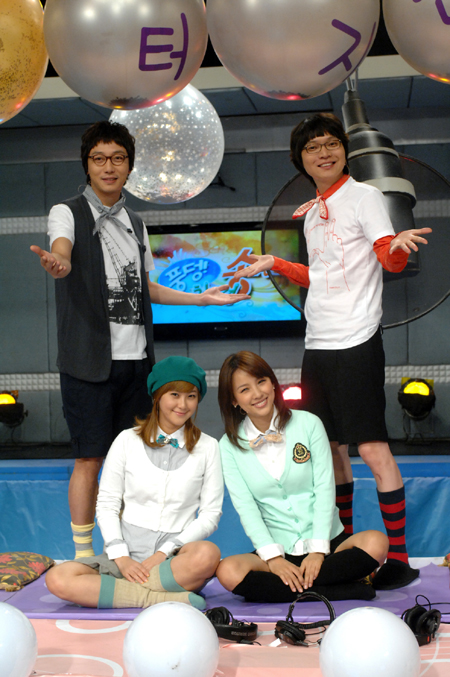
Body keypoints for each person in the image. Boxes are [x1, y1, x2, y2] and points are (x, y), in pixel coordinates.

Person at [230, 113, 432, 590]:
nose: (324, 152)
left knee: (372, 448)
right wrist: (276, 263)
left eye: (331, 143)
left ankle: (399, 559)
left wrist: (399, 247)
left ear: (344, 150)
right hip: (317, 342)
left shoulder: (365, 196)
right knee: (331, 450)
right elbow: (321, 275)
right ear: (300, 160)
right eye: (313, 147)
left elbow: (386, 257)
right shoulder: (312, 211)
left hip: (356, 338)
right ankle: (343, 547)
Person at [30, 121, 247, 559]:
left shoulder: (135, 222)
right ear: (87, 165)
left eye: (118, 158)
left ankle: (133, 552)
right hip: (88, 362)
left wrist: (201, 299)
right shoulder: (66, 212)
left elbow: (146, 288)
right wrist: (60, 263)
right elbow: (63, 251)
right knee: (89, 459)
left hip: (137, 363)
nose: (108, 167)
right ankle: (84, 555)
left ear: (129, 167)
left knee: (137, 464)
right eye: (99, 159)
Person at [46, 356, 223, 610]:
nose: (183, 405)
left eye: (191, 396)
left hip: (174, 560)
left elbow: (210, 515)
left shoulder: (209, 447)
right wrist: (121, 556)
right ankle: (156, 597)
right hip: (123, 556)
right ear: (157, 396)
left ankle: (125, 593)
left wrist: (164, 552)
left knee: (208, 554)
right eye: (174, 394)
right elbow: (107, 504)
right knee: (58, 578)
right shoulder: (126, 440)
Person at [216, 351, 388, 603]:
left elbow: (325, 488)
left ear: (272, 383)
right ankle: (335, 590)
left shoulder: (309, 423)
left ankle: (294, 591)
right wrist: (273, 559)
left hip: (327, 542)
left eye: (261, 381)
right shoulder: (228, 445)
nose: (257, 393)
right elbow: (246, 507)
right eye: (245, 389)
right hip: (278, 551)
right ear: (233, 400)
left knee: (377, 543)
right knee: (228, 571)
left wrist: (317, 551)